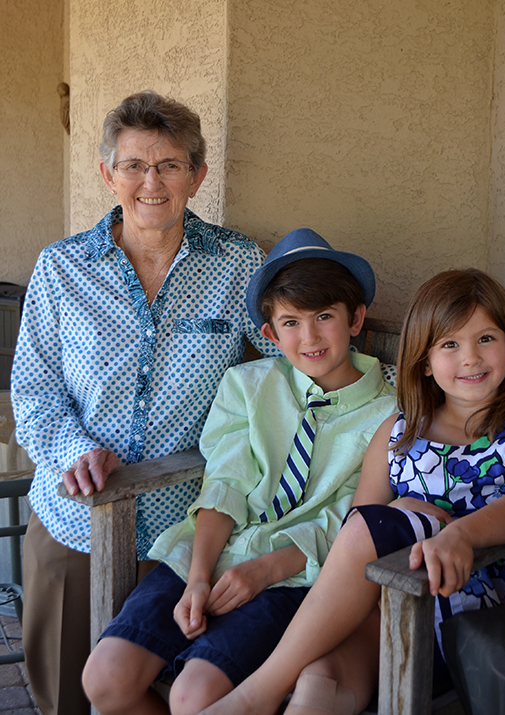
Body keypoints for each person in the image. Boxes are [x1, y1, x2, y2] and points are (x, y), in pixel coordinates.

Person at [11, 89, 279, 715]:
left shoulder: (241, 264)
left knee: (167, 690)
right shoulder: (60, 267)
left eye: (169, 165)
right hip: (78, 521)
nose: (150, 181)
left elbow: (278, 374)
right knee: (65, 692)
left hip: (189, 535)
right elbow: (35, 390)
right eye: (133, 164)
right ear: (108, 174)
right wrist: (75, 452)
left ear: (197, 176)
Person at [197, 268, 505, 715]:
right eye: (449, 344)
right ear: (424, 360)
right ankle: (268, 693)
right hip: (383, 607)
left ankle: (255, 695)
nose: (470, 359)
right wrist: (400, 512)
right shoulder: (398, 432)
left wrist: (459, 535)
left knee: (385, 521)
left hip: (469, 610)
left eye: (486, 339)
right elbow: (359, 526)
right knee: (318, 681)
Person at [81, 227, 397, 715]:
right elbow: (225, 483)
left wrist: (264, 569)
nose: (308, 337)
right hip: (209, 553)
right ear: (269, 333)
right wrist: (199, 577)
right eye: (290, 322)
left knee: (194, 696)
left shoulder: (390, 413)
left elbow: (351, 518)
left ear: (355, 319)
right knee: (105, 680)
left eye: (324, 317)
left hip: (298, 577)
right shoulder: (247, 385)